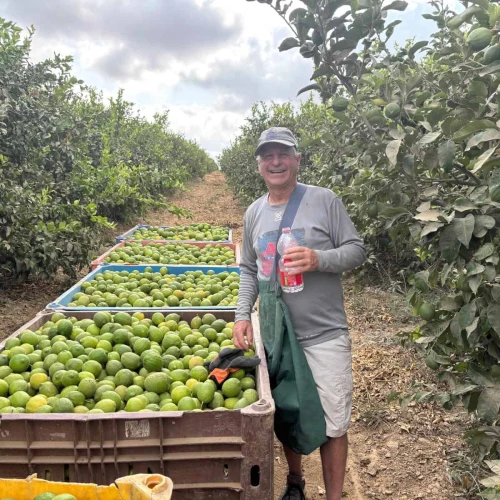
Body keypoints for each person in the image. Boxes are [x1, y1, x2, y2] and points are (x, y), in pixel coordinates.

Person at [233, 127, 366, 500]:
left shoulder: (324, 200)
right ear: (259, 164)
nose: (276, 162)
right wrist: (242, 314)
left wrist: (319, 259)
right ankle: (295, 483)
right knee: (289, 415)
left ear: (297, 160)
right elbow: (248, 269)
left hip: (324, 333)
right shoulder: (254, 212)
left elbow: (356, 250)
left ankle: (335, 496)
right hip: (277, 334)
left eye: (283, 154)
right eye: (268, 156)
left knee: (333, 421)